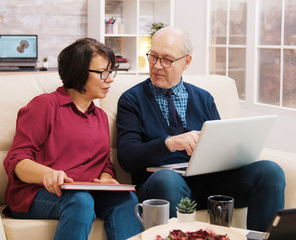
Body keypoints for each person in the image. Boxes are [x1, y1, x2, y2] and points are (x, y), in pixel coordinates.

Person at [116, 26, 286, 232]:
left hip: (208, 183)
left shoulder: (204, 98)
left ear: (186, 62)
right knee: (166, 179)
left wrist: (234, 151)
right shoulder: (131, 100)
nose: (157, 65)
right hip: (162, 184)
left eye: (167, 60)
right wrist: (169, 143)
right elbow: (127, 157)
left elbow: (222, 146)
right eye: (153, 56)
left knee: (270, 171)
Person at [3, 38, 142, 240]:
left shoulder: (100, 116)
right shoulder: (45, 106)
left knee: (126, 199)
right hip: (37, 193)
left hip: (86, 191)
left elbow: (104, 164)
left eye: (111, 72)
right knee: (80, 201)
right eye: (103, 73)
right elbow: (16, 159)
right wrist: (47, 174)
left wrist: (105, 178)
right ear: (79, 72)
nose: (110, 79)